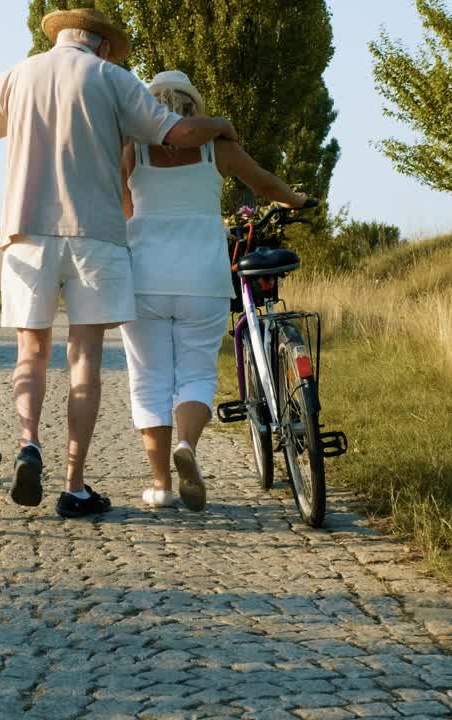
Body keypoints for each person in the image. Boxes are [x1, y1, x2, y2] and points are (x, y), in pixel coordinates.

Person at [0, 10, 240, 519]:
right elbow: (177, 135)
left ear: (59, 39)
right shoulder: (113, 80)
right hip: (95, 236)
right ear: (101, 47)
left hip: (27, 234)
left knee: (31, 352)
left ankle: (28, 443)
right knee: (85, 361)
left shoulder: (18, 76)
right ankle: (75, 485)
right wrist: (223, 125)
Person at [118, 70, 308, 511]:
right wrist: (295, 200)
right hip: (202, 280)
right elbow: (263, 184)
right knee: (197, 373)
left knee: (149, 381)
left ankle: (161, 485)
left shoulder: (134, 151)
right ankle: (188, 444)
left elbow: (122, 205)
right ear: (194, 110)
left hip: (144, 279)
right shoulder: (216, 149)